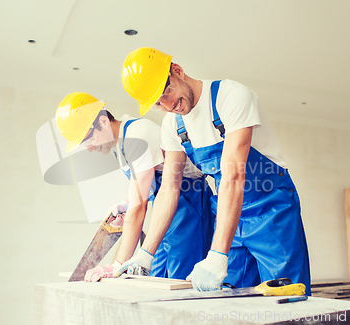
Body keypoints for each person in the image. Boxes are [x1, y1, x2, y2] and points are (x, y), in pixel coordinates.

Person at [117, 47, 311, 294]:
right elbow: (168, 190)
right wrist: (146, 254)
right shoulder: (172, 126)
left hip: (271, 209)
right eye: (157, 103)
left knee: (287, 295)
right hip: (229, 214)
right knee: (236, 299)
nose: (168, 105)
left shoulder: (231, 96)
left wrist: (218, 254)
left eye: (166, 92)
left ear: (177, 71)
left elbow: (233, 175)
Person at [54, 92, 215, 281]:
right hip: (165, 207)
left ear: (104, 121)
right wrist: (127, 204)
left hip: (188, 204)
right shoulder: (120, 144)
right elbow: (142, 192)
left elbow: (140, 207)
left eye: (87, 139)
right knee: (155, 277)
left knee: (179, 280)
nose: (89, 148)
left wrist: (117, 264)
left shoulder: (137, 136)